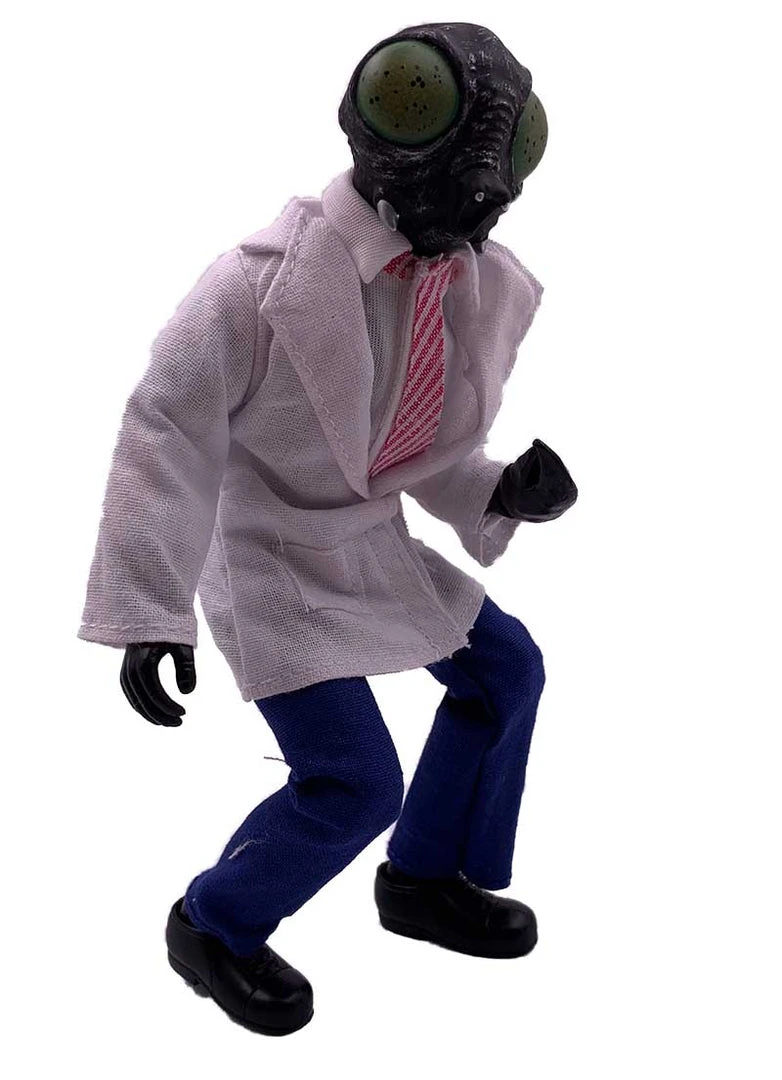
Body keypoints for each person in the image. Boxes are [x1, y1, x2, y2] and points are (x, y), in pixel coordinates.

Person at [79, 22, 577, 1036]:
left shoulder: (458, 284)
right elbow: (165, 429)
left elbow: (413, 445)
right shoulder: (256, 282)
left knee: (505, 672)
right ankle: (213, 924)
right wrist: (149, 608)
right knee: (352, 782)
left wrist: (500, 491)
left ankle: (424, 877)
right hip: (264, 554)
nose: (483, 193)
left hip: (366, 537)